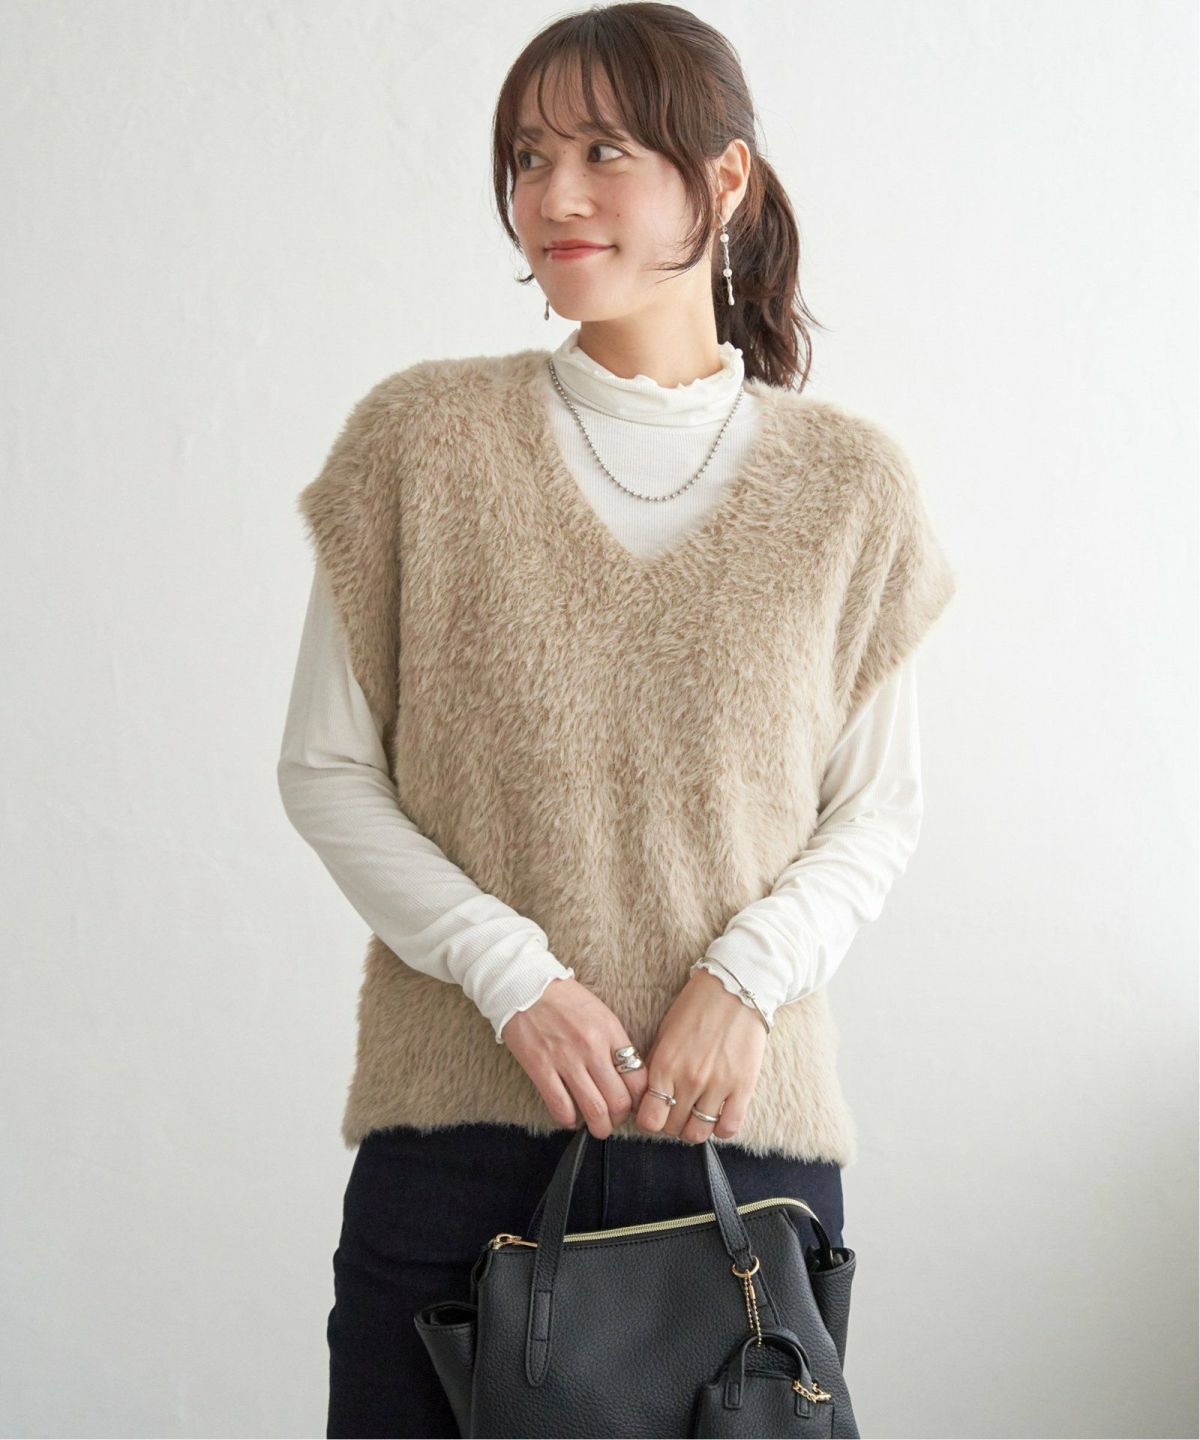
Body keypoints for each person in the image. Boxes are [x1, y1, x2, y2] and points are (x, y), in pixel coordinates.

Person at [277, 5, 957, 1436]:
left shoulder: (849, 488)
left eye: (604, 151)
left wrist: (747, 980)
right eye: (528, 157)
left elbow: (876, 809)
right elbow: (329, 771)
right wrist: (511, 975)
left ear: (724, 180)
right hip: (459, 1147)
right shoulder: (419, 444)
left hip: (742, 1149)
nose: (555, 195)